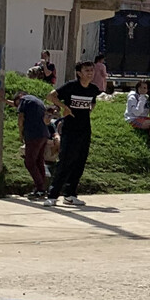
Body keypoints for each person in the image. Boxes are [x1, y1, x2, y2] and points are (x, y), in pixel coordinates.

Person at [49, 62, 102, 207]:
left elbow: (93, 103)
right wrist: (64, 108)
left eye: (91, 70)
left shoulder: (93, 89)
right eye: (87, 70)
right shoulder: (71, 86)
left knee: (80, 162)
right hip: (70, 130)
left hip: (85, 129)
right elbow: (51, 96)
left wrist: (89, 110)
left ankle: (70, 195)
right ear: (79, 73)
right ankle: (53, 196)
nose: (90, 73)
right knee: (65, 161)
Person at [14, 86, 53, 199]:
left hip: (33, 135)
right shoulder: (36, 101)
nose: (17, 106)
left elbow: (21, 117)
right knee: (39, 161)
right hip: (43, 134)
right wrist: (4, 100)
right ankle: (42, 188)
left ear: (20, 96)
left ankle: (40, 188)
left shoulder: (24, 100)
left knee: (29, 162)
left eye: (17, 103)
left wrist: (20, 134)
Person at [124, 79, 150, 143]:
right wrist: (142, 99)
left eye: (144, 88)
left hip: (142, 118)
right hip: (133, 119)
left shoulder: (147, 98)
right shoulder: (133, 97)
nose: (142, 89)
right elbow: (137, 113)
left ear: (148, 89)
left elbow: (144, 113)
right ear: (137, 87)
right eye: (140, 87)